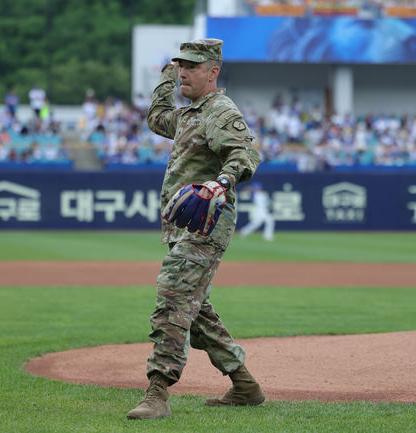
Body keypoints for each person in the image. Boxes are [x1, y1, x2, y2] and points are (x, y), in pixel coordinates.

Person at [126, 38, 264, 420]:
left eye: (191, 66)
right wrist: (167, 78)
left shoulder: (220, 111)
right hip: (183, 227)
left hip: (207, 224)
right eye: (181, 64)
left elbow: (245, 153)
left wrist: (220, 182)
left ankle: (157, 391)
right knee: (195, 311)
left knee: (172, 296)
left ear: (213, 72)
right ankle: (245, 385)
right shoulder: (192, 113)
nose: (184, 71)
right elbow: (157, 118)